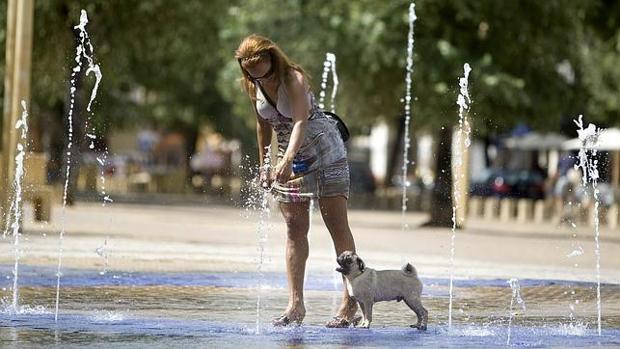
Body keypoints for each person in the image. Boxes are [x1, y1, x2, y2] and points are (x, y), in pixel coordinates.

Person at [235, 34, 358, 327]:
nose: (258, 77)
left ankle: (351, 301)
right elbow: (263, 126)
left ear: (272, 58)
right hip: (288, 157)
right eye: (251, 73)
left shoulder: (294, 78)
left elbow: (300, 120)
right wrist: (266, 163)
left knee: (336, 226)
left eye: (263, 71)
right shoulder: (253, 84)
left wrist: (287, 160)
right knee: (294, 228)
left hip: (324, 152)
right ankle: (295, 306)